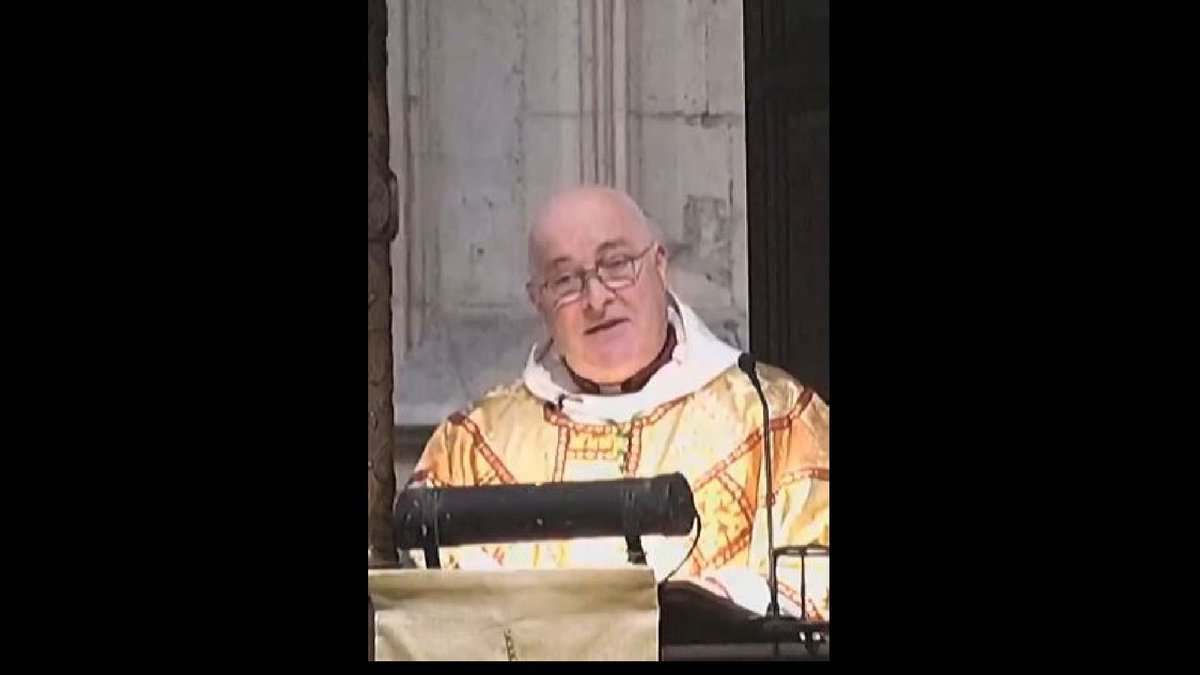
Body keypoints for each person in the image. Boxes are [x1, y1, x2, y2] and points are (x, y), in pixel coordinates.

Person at [406, 185, 829, 619]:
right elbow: (442, 602)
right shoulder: (473, 447)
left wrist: (688, 608)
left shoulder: (775, 419)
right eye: (565, 280)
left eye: (617, 264)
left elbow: (813, 577)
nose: (597, 299)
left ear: (659, 264)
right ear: (539, 300)